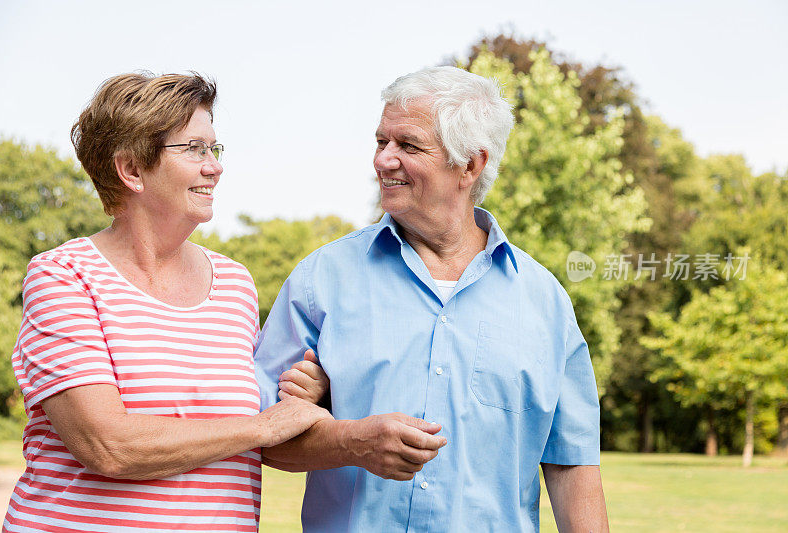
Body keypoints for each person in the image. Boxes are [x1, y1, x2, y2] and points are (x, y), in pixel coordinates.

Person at [255, 66, 610, 532]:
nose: (383, 160)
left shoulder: (545, 302)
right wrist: (348, 440)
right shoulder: (321, 281)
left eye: (408, 145)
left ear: (470, 165)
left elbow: (571, 464)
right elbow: (260, 437)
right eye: (382, 142)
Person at [3, 72, 331, 532]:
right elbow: (107, 445)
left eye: (214, 149)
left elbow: (261, 415)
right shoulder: (63, 275)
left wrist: (302, 393)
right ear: (132, 170)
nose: (214, 166)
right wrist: (264, 426)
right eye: (194, 148)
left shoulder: (235, 283)